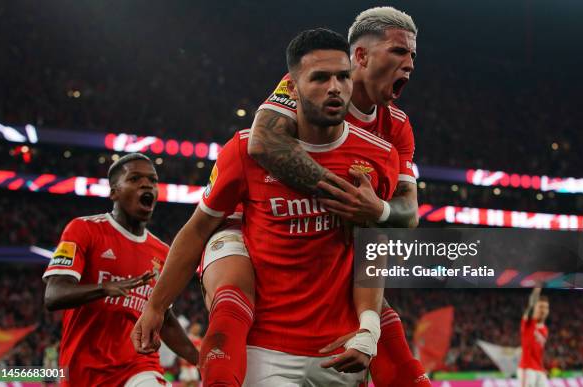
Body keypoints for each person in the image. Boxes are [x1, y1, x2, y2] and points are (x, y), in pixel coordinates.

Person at [132, 28, 399, 386]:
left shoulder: (380, 156)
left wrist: (368, 329)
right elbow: (197, 230)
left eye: (343, 76)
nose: (335, 87)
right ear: (292, 86)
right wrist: (155, 305)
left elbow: (371, 248)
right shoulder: (243, 153)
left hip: (341, 350)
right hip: (265, 351)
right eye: (320, 78)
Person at [250, 6, 430, 387]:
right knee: (225, 255)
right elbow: (263, 141)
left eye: (413, 55)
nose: (410, 63)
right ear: (360, 56)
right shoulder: (310, 86)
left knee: (380, 334)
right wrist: (343, 195)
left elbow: (408, 212)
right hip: (265, 237)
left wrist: (376, 208)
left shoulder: (396, 127)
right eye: (399, 51)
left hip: (335, 258)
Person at [43, 153, 198, 387]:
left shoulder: (163, 252)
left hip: (138, 366)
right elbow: (54, 295)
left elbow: (165, 319)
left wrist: (203, 361)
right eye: (135, 178)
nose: (147, 184)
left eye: (152, 180)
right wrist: (104, 288)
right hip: (82, 373)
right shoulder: (83, 230)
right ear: (114, 192)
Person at [518, 287, 549, 387]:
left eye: (545, 307)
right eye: (540, 307)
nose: (543, 310)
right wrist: (537, 290)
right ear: (535, 308)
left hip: (539, 369)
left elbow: (538, 353)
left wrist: (542, 367)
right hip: (527, 368)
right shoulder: (528, 324)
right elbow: (531, 305)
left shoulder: (545, 329)